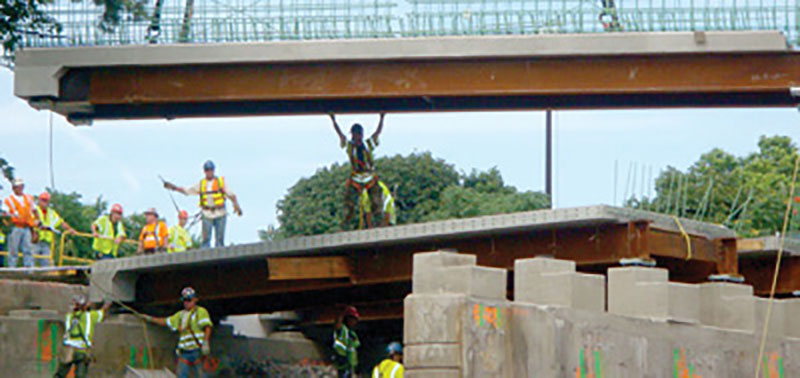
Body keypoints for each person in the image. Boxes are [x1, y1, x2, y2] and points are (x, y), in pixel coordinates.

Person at [164, 161, 242, 248]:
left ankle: (219, 257)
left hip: (220, 213)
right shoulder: (201, 184)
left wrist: (237, 206)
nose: (209, 172)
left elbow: (231, 195)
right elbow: (187, 191)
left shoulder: (220, 182)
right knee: (206, 240)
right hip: (207, 214)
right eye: (207, 170)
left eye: (211, 170)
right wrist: (174, 188)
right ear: (204, 171)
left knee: (219, 240)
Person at [330, 113, 386, 229]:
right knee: (348, 202)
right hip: (355, 178)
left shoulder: (368, 144)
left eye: (359, 134)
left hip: (369, 176)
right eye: (355, 134)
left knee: (376, 201)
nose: (358, 136)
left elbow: (377, 132)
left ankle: (380, 223)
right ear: (353, 135)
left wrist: (382, 118)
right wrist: (333, 121)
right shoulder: (349, 146)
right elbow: (340, 135)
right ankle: (345, 224)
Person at [143, 287, 213, 378]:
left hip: (197, 351)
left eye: (188, 300)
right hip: (184, 352)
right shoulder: (180, 315)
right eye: (184, 300)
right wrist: (150, 319)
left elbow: (207, 327)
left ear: (195, 299)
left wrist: (206, 343)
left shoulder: (200, 312)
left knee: (201, 375)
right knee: (181, 375)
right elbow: (166, 321)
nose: (186, 302)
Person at [54, 294, 112, 378]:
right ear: (84, 306)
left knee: (59, 375)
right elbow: (103, 311)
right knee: (80, 375)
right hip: (82, 350)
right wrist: (109, 302)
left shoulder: (69, 316)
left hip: (68, 349)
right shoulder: (90, 316)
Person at [34, 192, 77, 267]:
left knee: (46, 261)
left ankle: (46, 275)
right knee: (31, 259)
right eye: (43, 200)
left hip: (46, 241)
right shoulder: (34, 210)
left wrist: (70, 229)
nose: (45, 202)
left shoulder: (51, 212)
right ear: (39, 200)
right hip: (35, 240)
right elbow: (30, 221)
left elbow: (61, 222)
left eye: (46, 200)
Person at [4, 178, 36, 267]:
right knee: (13, 250)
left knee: (28, 249)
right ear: (14, 188)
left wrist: (34, 226)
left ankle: (29, 269)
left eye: (21, 186)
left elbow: (34, 210)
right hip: (15, 227)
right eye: (18, 187)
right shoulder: (9, 200)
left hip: (26, 227)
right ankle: (12, 268)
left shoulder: (29, 198)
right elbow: (6, 214)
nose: (20, 189)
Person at [333, 305, 361, 378]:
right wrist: (341, 314)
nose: (354, 322)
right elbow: (337, 325)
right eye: (353, 319)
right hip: (342, 364)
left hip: (350, 366)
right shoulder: (342, 330)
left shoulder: (352, 334)